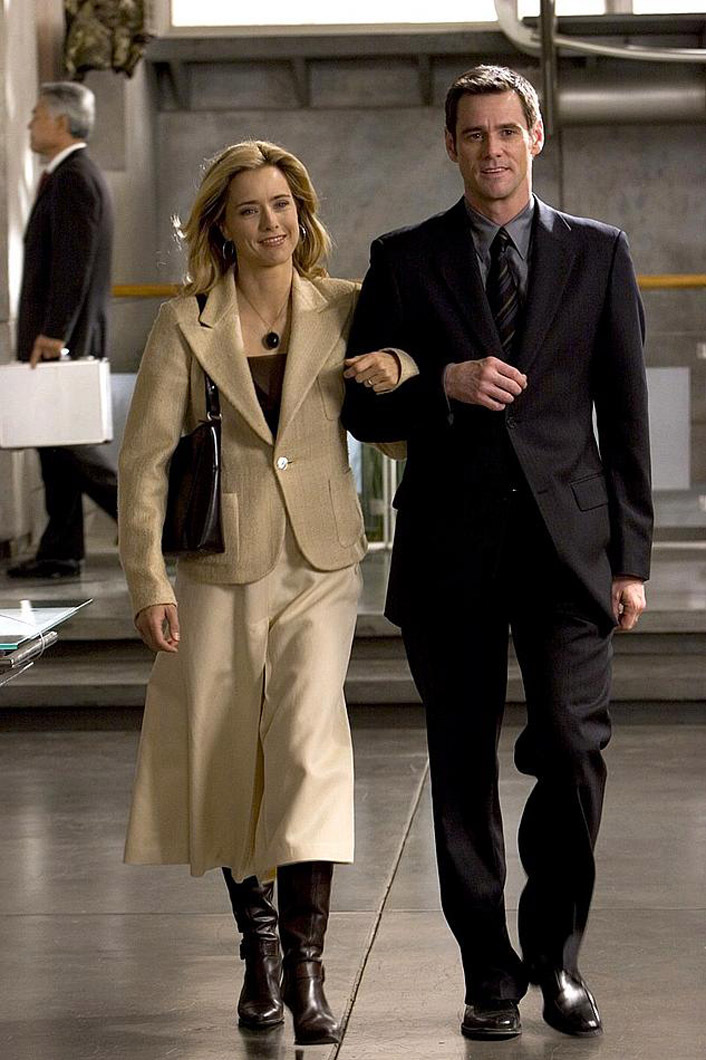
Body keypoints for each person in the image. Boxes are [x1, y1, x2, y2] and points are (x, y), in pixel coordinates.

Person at [342, 65, 653, 1042]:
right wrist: (441, 381)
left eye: (507, 131)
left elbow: (626, 414)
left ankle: (556, 958)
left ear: (535, 137)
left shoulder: (600, 253)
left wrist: (631, 559)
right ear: (451, 146)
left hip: (569, 549)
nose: (491, 149)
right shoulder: (404, 258)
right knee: (460, 765)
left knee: (570, 747)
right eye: (473, 134)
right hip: (450, 549)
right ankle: (488, 974)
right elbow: (358, 407)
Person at [118, 141, 411, 1046]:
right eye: (249, 209)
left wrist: (400, 368)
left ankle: (309, 969)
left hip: (322, 562)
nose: (271, 222)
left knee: (308, 748)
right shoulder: (185, 322)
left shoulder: (345, 305)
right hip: (217, 568)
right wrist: (147, 581)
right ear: (222, 225)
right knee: (231, 759)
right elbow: (145, 462)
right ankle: (261, 953)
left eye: (282, 204)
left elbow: (396, 423)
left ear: (302, 212)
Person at [8, 82, 115, 581]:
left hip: (63, 341)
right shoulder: (67, 175)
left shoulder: (74, 178)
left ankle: (158, 530)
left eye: (36, 115)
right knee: (55, 445)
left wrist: (54, 333)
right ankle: (61, 549)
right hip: (61, 337)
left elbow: (74, 263)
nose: (30, 124)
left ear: (60, 122)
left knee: (72, 447)